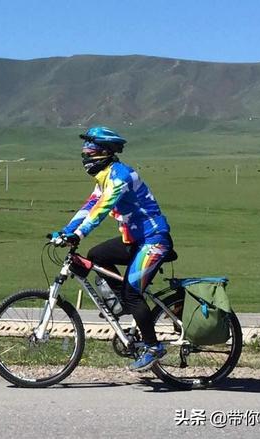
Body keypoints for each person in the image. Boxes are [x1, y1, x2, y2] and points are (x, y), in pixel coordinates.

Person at [51, 126, 173, 371]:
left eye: (90, 149)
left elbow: (102, 208)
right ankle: (122, 304)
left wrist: (79, 234)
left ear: (104, 152)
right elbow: (90, 206)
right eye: (85, 149)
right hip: (135, 240)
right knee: (97, 255)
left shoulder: (120, 176)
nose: (85, 154)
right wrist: (66, 230)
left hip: (154, 240)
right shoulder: (104, 177)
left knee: (133, 293)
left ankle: (153, 347)